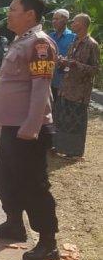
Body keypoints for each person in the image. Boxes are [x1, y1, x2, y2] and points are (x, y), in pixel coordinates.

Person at [0, 0, 60, 260]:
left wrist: (32, 125)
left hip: (29, 129)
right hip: (12, 127)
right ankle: (14, 225)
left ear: (30, 15)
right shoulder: (21, 40)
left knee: (33, 185)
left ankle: (49, 243)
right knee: (5, 179)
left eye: (13, 9)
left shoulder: (40, 43)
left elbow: (41, 87)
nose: (8, 13)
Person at [53, 13, 100, 158]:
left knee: (76, 123)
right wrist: (62, 61)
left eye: (75, 22)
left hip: (79, 92)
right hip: (66, 88)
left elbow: (95, 69)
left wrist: (75, 64)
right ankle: (62, 148)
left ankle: (74, 152)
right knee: (63, 119)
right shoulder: (74, 41)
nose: (72, 23)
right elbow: (69, 61)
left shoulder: (92, 44)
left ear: (83, 24)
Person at [48, 9, 76, 100]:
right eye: (53, 19)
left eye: (56, 19)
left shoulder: (73, 37)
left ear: (65, 20)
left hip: (64, 82)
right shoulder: (49, 37)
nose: (53, 21)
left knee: (60, 111)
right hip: (49, 80)